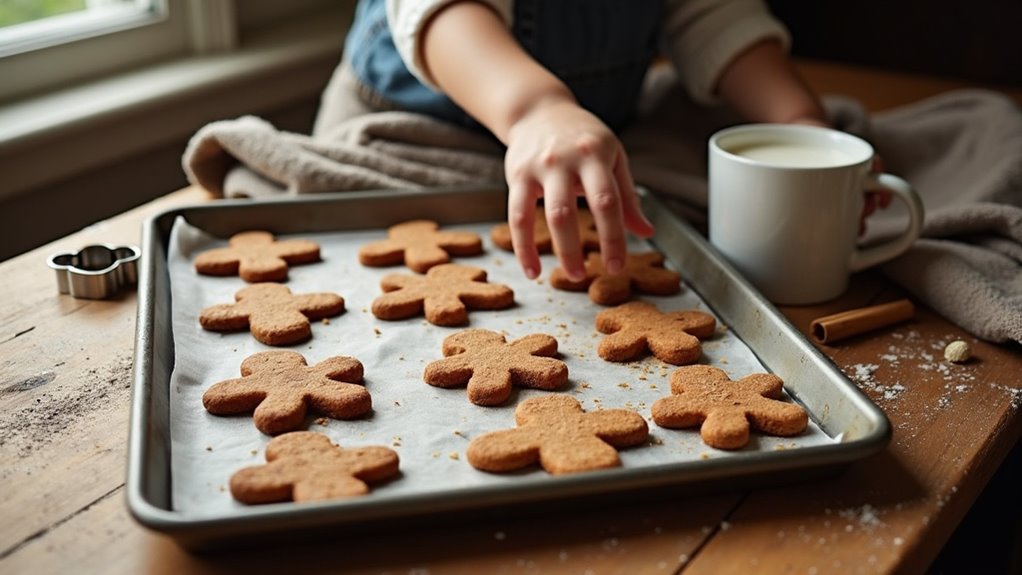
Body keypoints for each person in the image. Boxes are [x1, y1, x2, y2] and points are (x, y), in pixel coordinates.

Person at [325, 0, 831, 281]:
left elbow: (712, 15)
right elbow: (446, 11)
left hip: (588, 148)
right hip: (410, 138)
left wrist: (798, 120)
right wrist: (537, 109)